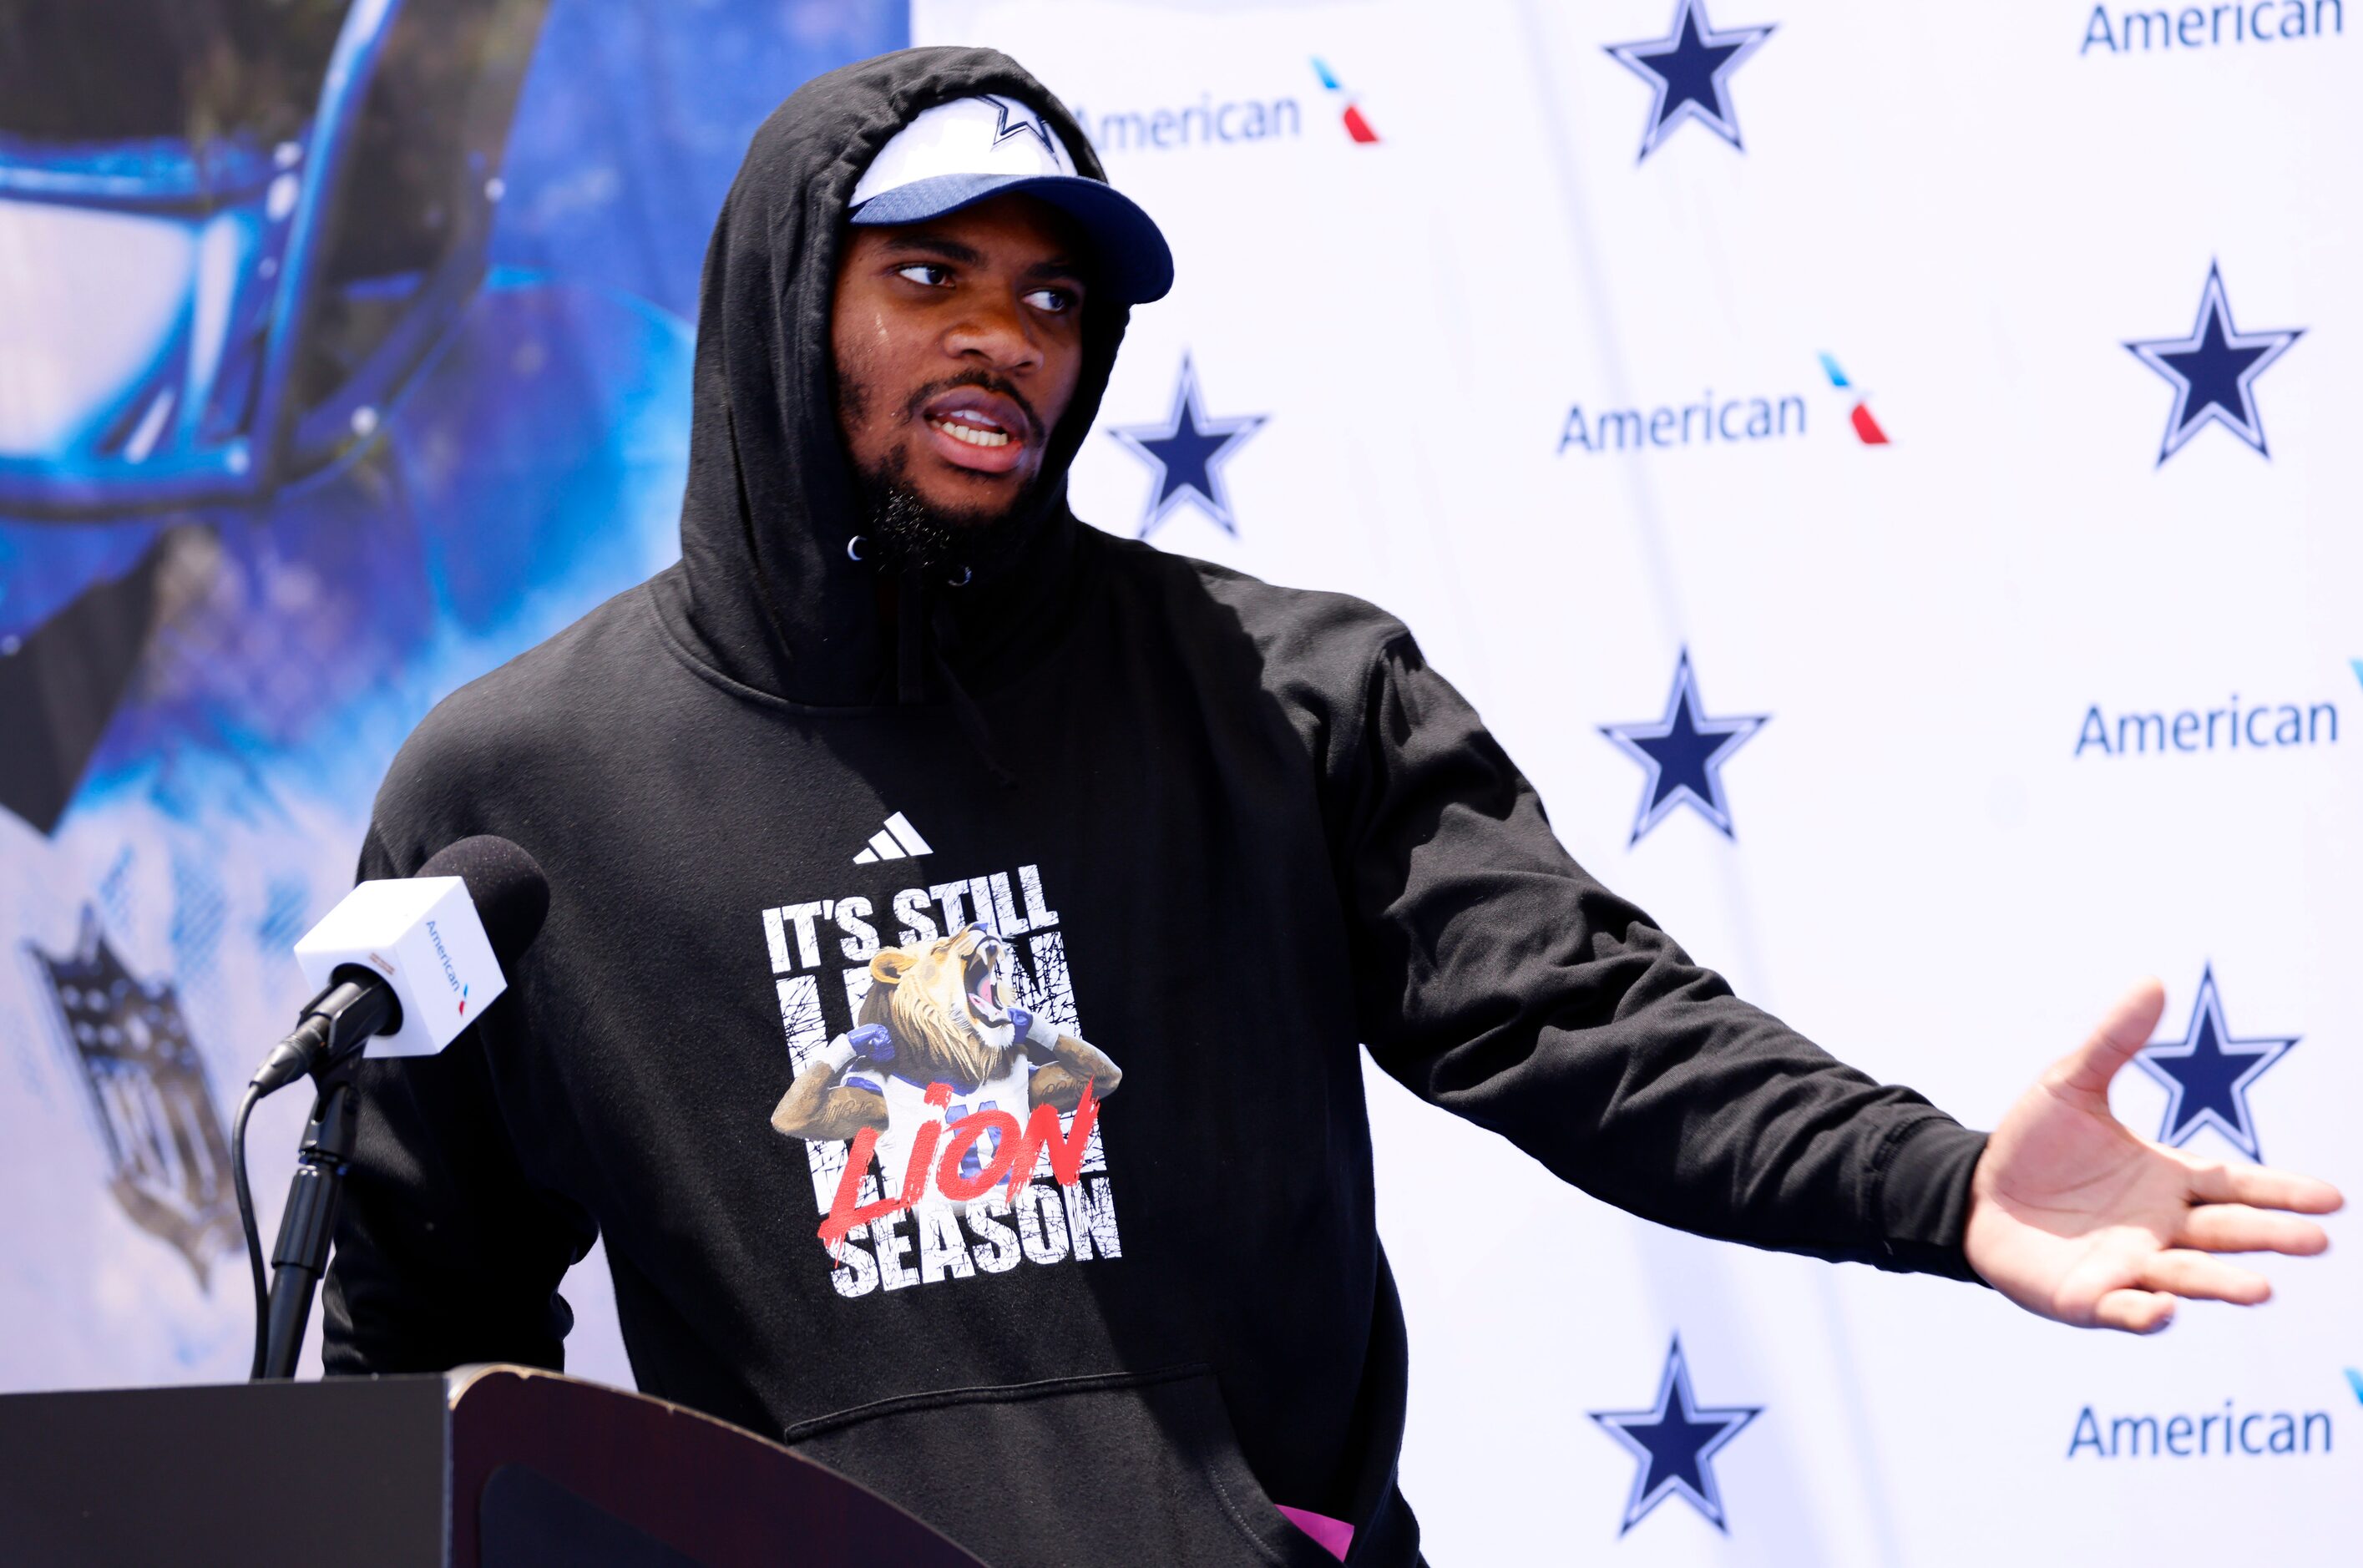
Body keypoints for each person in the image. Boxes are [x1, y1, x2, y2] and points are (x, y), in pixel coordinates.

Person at [323, 47, 2342, 1567]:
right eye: (926, 273)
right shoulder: (515, 793)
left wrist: (1939, 1185)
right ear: (787, 309)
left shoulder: (1279, 694)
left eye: (1047, 300)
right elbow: (430, 1337)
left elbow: (1585, 1022)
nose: (1000, 338)